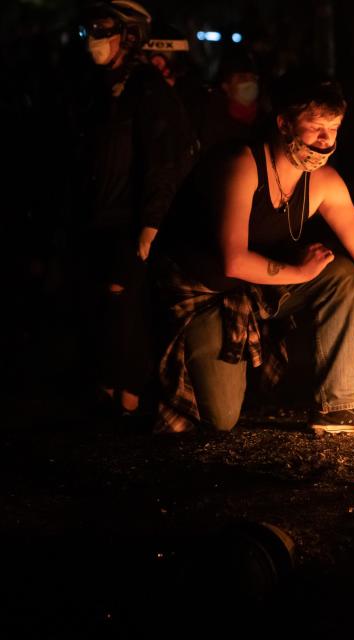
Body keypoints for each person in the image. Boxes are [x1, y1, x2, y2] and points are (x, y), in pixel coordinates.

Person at [153, 70, 354, 434]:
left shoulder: (324, 182)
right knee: (219, 419)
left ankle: (339, 406)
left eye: (334, 128)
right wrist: (299, 272)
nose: (326, 140)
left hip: (251, 289)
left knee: (340, 272)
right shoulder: (243, 165)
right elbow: (232, 260)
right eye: (315, 127)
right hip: (203, 294)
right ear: (284, 123)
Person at [77, 0, 193, 419]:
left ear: (129, 35)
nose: (95, 37)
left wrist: (150, 222)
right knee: (104, 304)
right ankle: (108, 394)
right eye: (91, 27)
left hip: (130, 219)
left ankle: (129, 399)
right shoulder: (99, 88)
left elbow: (164, 159)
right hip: (100, 217)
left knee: (124, 301)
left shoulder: (147, 89)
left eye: (104, 28)